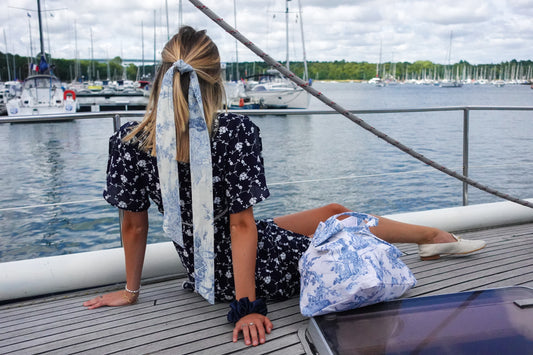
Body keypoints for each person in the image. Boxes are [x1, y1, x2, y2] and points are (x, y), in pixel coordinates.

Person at [83, 26, 486, 347]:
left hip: (207, 265)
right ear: (216, 79)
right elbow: (241, 226)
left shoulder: (129, 141)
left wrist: (130, 291)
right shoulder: (233, 132)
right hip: (247, 270)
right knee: (340, 232)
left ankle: (431, 238)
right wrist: (246, 307)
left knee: (331, 211)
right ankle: (432, 239)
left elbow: (134, 227)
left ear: (160, 75)